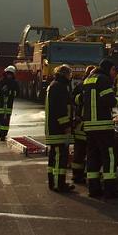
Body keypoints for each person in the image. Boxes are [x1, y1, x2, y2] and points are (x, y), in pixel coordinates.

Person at [80, 59, 118, 199]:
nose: (115, 73)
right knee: (109, 156)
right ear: (108, 69)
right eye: (114, 70)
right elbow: (109, 100)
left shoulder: (88, 79)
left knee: (93, 157)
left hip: (89, 126)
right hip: (103, 125)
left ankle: (94, 189)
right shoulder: (104, 79)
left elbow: (81, 100)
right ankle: (110, 190)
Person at [45, 64, 75, 193]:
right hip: (58, 129)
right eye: (70, 74)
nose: (71, 77)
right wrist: (66, 125)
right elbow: (61, 110)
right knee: (58, 158)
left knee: (55, 157)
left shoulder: (54, 85)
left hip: (53, 128)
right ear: (65, 74)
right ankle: (58, 184)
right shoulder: (59, 87)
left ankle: (55, 182)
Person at [71, 65, 96, 185]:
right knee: (87, 152)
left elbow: (73, 101)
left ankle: (77, 175)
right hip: (86, 124)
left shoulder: (81, 85)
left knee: (79, 151)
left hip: (80, 124)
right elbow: (74, 101)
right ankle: (82, 175)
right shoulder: (87, 86)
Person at [0, 66, 19, 141]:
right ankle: (0, 130)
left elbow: (17, 93)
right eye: (8, 74)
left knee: (5, 122)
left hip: (7, 105)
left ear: (13, 75)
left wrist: (9, 92)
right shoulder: (1, 81)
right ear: (5, 74)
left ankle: (3, 134)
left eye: (10, 74)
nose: (9, 75)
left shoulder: (14, 83)